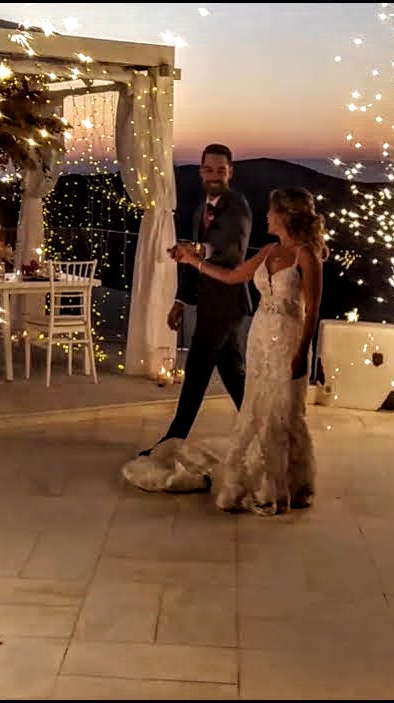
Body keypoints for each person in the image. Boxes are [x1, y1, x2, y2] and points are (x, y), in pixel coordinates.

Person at [127, 187, 327, 516]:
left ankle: (288, 486)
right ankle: (257, 482)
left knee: (285, 412)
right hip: (261, 337)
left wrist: (300, 353)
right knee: (256, 407)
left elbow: (314, 310)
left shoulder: (306, 255)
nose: (266, 215)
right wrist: (193, 260)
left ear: (285, 215)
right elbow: (232, 276)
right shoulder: (268, 251)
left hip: (290, 339)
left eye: (271, 211)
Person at [138, 144, 252, 457]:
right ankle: (263, 435)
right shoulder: (201, 208)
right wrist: (180, 301)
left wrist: (197, 251)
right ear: (201, 170)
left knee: (197, 375)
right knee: (233, 377)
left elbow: (228, 248)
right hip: (211, 305)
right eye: (209, 169)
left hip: (226, 304)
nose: (214, 176)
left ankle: (171, 442)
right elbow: (191, 260)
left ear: (230, 172)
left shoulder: (237, 205)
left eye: (221, 170)